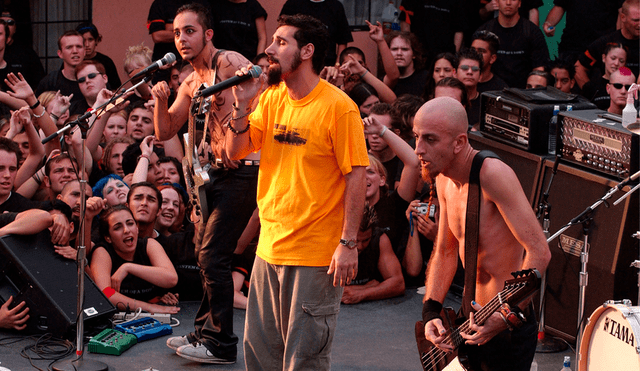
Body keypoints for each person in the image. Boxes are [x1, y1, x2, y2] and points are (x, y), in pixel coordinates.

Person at [226, 13, 369, 370]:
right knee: (260, 356)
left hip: (316, 255)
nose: (269, 50)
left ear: (307, 51)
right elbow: (234, 151)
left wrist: (348, 243)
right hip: (269, 247)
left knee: (303, 360)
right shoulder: (272, 97)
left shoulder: (339, 108)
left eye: (281, 42)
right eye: (272, 41)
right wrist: (242, 104)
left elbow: (356, 177)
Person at [153, 3, 259, 364]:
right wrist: (160, 101)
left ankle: (221, 343)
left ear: (208, 34)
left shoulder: (226, 63)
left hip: (242, 168)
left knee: (213, 255)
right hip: (212, 172)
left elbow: (250, 102)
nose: (181, 39)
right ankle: (203, 332)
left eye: (189, 31)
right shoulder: (189, 79)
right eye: (177, 33)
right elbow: (165, 130)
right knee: (205, 254)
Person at [414, 97, 550, 371]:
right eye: (416, 137)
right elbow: (445, 251)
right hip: (468, 316)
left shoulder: (493, 174)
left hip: (505, 318)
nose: (418, 149)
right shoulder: (442, 177)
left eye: (430, 139)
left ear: (459, 143)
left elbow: (539, 251)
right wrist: (431, 310)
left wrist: (506, 316)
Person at [90, 204, 179, 314]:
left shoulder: (149, 244)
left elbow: (171, 278)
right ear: (108, 237)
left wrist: (128, 267)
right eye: (118, 227)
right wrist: (148, 307)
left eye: (130, 223)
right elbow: (106, 293)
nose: (126, 230)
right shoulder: (102, 252)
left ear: (136, 228)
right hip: (120, 318)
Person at [476, 0, 549, 88]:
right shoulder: (485, 32)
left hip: (522, 93)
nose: (508, 2)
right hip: (491, 92)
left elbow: (539, 68)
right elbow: (475, 64)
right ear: (497, 2)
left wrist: (532, 93)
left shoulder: (532, 32)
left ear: (520, 3)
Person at [341, 205, 405, 304]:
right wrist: (366, 286)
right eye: (355, 241)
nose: (360, 246)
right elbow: (317, 290)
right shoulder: (330, 241)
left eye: (366, 240)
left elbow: (398, 284)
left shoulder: (380, 239)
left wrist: (362, 294)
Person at [575, 0, 639, 88]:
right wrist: (592, 94)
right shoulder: (606, 42)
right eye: (636, 20)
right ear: (623, 17)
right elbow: (578, 68)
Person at [543, 0, 621, 64]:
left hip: (601, 47)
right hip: (571, 46)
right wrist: (549, 23)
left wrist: (617, 42)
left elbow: (622, 12)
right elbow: (560, 5)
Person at [279, 0, 353, 67]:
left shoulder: (336, 6)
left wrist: (337, 66)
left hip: (326, 66)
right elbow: (281, 34)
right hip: (297, 64)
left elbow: (342, 41)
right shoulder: (292, 4)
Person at [399, 0, 464, 62]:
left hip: (445, 55)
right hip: (418, 53)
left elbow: (459, 30)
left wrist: (454, 56)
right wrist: (409, 49)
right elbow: (405, 22)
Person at [35, 30, 84, 103]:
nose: (75, 51)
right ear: (60, 54)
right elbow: (37, 111)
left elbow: (106, 108)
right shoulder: (49, 82)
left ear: (85, 51)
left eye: (79, 46)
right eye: (69, 47)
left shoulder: (95, 79)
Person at [76, 22, 122, 89]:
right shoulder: (74, 61)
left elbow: (116, 89)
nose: (87, 44)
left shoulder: (107, 62)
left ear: (96, 40)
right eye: (83, 40)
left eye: (90, 40)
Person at [581, 43, 627, 110]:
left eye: (621, 61)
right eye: (613, 58)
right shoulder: (591, 87)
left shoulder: (629, 86)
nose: (616, 63)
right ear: (604, 58)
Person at [386, 31, 429, 98]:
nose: (399, 53)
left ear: (414, 54)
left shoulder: (427, 79)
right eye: (394, 49)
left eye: (404, 49)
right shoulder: (383, 81)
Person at [457, 48, 483, 130]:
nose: (470, 72)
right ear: (454, 72)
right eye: (464, 68)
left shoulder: (485, 104)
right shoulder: (447, 99)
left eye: (475, 69)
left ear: (480, 76)